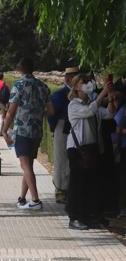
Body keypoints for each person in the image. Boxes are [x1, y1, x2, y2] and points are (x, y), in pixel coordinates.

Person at [1, 58, 53, 210]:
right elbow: (51, 111)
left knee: (25, 165)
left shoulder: (19, 85)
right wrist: (37, 112)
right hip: (37, 131)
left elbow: (11, 111)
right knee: (28, 165)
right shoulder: (43, 87)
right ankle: (22, 198)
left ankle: (35, 200)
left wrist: (4, 130)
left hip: (23, 130)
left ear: (20, 69)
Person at [65, 74, 114, 229]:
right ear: (77, 87)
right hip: (77, 150)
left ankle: (88, 215)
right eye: (83, 82)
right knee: (77, 184)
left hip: (91, 149)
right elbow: (89, 112)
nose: (87, 85)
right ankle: (75, 217)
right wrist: (103, 93)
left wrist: (111, 98)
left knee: (90, 184)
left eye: (88, 82)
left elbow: (108, 114)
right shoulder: (74, 105)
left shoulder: (91, 103)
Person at [46, 67, 79, 203]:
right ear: (69, 79)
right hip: (63, 127)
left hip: (74, 127)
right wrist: (55, 129)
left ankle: (71, 188)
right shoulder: (59, 95)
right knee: (61, 159)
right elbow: (51, 114)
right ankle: (60, 190)